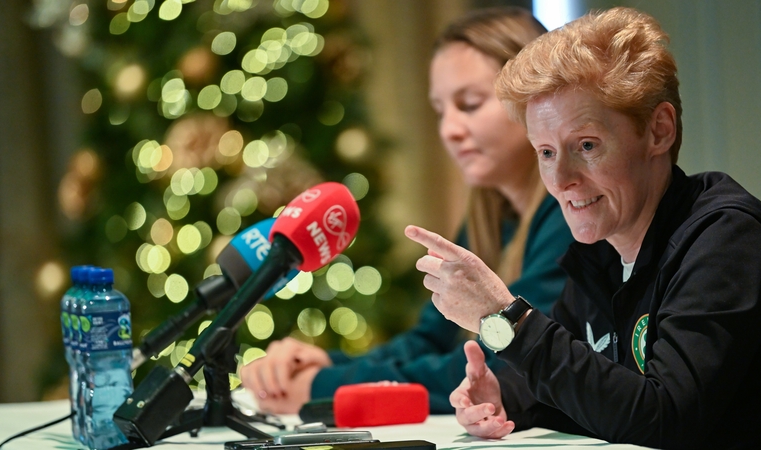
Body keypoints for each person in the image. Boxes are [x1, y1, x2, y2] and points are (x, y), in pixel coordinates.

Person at [405, 6, 761, 448]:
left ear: (659, 130)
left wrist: (505, 318)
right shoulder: (603, 253)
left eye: (586, 145)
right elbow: (594, 389)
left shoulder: (728, 240)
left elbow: (665, 419)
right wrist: (506, 397)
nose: (560, 180)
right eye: (547, 152)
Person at [240, 7, 574, 414]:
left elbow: (494, 365)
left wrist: (322, 385)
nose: (449, 129)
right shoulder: (490, 216)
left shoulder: (570, 216)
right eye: (440, 111)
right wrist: (329, 363)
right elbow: (428, 338)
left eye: (468, 104)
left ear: (534, 100)